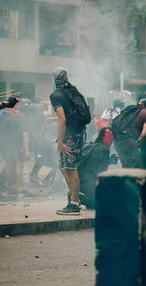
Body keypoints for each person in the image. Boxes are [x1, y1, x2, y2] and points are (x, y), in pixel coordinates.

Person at [49, 67, 92, 215]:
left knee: (70, 169)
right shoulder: (74, 91)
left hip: (71, 136)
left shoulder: (56, 95)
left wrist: (60, 141)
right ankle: (75, 197)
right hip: (79, 133)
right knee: (63, 166)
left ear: (54, 79)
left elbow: (62, 119)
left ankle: (74, 204)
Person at [113, 94, 146, 168]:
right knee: (136, 167)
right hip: (127, 140)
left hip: (117, 139)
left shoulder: (137, 109)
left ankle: (123, 179)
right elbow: (144, 134)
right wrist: (139, 144)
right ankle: (129, 179)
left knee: (126, 164)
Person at [78, 127, 118, 209]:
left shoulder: (92, 146)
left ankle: (80, 196)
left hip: (81, 185)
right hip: (90, 185)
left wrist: (109, 161)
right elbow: (101, 173)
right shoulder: (104, 149)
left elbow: (92, 165)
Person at [0, 99, 30, 199]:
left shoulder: (3, 114)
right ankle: (19, 189)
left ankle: (9, 187)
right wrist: (26, 150)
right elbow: (24, 133)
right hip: (15, 143)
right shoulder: (18, 116)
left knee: (9, 164)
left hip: (5, 142)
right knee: (19, 165)